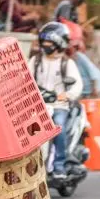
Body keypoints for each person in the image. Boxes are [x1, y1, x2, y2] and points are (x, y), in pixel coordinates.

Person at [28, 22, 83, 179]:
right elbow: (25, 78)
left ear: (59, 43)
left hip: (59, 105)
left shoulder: (67, 63)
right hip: (38, 105)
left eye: (49, 43)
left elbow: (78, 85)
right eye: (44, 43)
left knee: (58, 128)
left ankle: (59, 166)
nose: (46, 46)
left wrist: (67, 95)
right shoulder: (35, 61)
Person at [67, 23, 100, 97]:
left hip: (92, 87)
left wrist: (94, 89)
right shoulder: (68, 60)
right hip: (82, 88)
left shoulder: (80, 57)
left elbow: (93, 74)